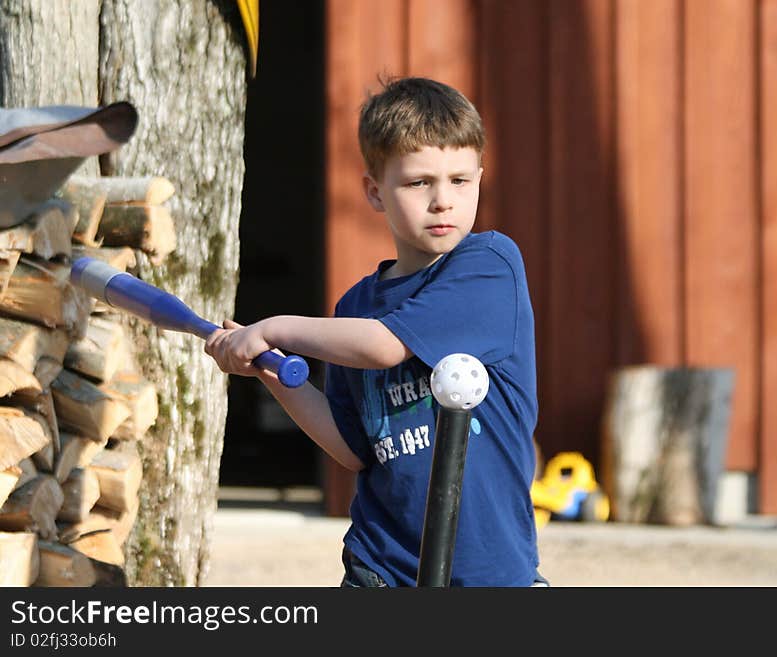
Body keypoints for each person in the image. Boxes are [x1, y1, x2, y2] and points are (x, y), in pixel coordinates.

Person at [205, 76, 545, 587]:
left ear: (480, 178)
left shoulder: (489, 266)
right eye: (417, 182)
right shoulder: (357, 306)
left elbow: (385, 348)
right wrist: (271, 371)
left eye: (460, 181)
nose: (442, 201)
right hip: (379, 570)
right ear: (375, 192)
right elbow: (352, 446)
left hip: (488, 575)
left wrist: (275, 328)